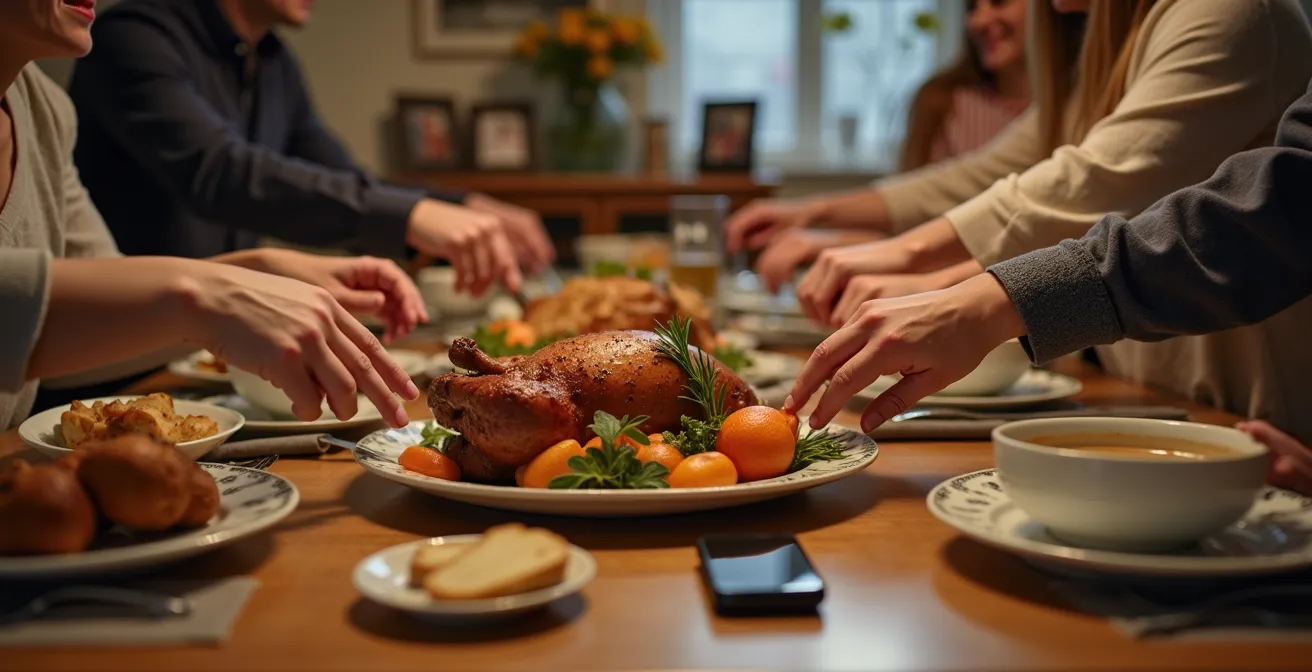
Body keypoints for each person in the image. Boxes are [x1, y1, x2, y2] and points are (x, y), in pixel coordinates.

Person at [731, 0, 1312, 437]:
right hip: (1153, 390)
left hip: (1250, 407)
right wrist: (817, 215)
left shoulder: (1234, 13)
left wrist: (921, 270)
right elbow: (983, 174)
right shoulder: (1105, 52)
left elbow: (1096, 178)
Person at [0, 0, 419, 431]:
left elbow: (74, 331)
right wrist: (212, 294)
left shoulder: (44, 109)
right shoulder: (135, 34)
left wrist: (252, 271)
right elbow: (219, 170)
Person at [67, 0, 555, 298]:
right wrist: (409, 217)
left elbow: (342, 176)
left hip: (209, 348)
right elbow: (219, 173)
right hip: (124, 361)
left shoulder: (274, 60)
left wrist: (464, 206)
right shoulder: (133, 38)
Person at [748, 0, 1032, 287]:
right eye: (972, 7)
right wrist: (820, 230)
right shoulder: (943, 101)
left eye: (999, 2)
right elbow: (928, 211)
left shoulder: (1067, 114)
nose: (979, 21)